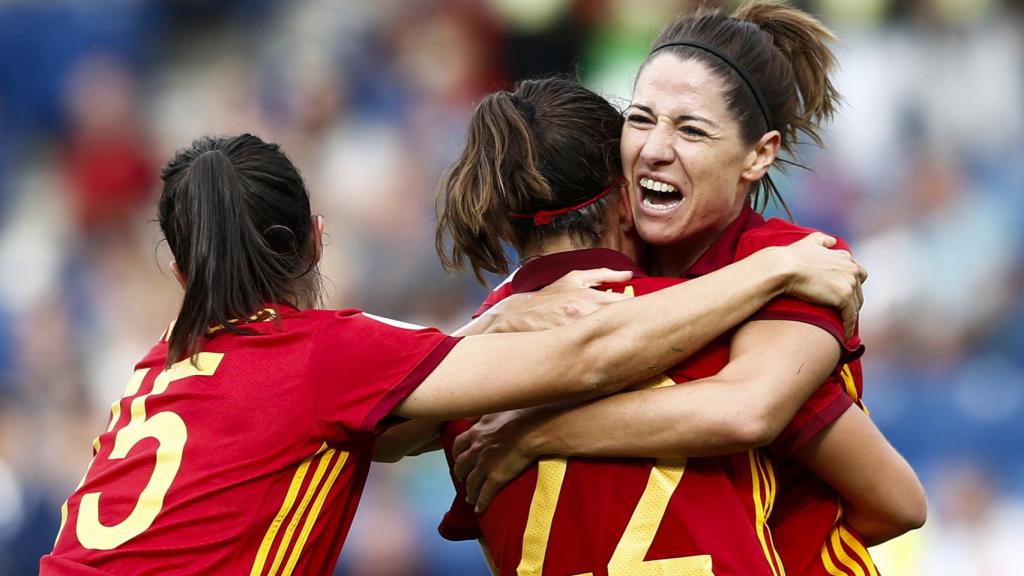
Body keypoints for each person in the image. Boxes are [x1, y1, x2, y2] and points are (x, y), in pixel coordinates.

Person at [40, 133, 862, 576]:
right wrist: (777, 263)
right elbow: (592, 353)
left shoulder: (154, 371)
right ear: (318, 237)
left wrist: (485, 333)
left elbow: (383, 405)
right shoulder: (328, 354)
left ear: (182, 271)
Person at [449, 3, 926, 575]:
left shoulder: (800, 266)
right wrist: (491, 325)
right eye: (641, 118)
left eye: (691, 128)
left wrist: (536, 433)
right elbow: (395, 427)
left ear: (759, 154)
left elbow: (756, 416)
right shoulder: (582, 285)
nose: (654, 148)